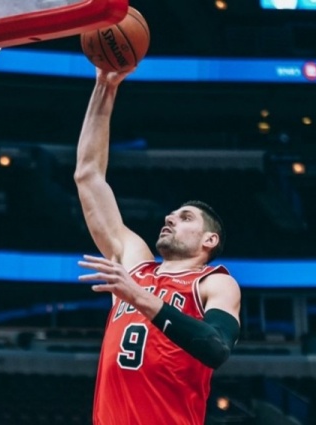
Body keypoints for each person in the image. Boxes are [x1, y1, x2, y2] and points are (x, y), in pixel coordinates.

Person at [74, 67, 242, 425]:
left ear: (209, 240)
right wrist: (105, 87)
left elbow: (216, 348)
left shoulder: (214, 282)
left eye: (185, 217)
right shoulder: (135, 264)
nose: (170, 218)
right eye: (171, 214)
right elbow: (88, 175)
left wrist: (139, 297)